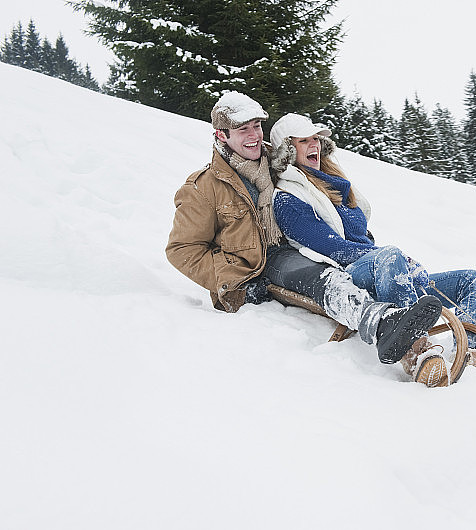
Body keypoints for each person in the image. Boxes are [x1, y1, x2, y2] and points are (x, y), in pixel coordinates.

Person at [165, 92, 447, 386]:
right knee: (321, 277)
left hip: (299, 243)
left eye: (257, 127)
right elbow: (182, 249)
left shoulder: (276, 162)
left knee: (335, 271)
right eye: (243, 130)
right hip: (263, 263)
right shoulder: (204, 187)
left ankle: (403, 321)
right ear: (221, 135)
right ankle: (380, 323)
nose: (253, 136)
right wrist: (233, 275)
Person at [268, 113, 476, 377]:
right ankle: (416, 350)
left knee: (474, 280)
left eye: (316, 139)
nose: (314, 145)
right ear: (287, 150)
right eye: (303, 141)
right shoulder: (287, 199)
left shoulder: (334, 185)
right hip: (349, 274)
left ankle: (473, 358)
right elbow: (333, 249)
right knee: (390, 255)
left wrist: (394, 264)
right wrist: (393, 260)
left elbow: (364, 236)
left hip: (382, 271)